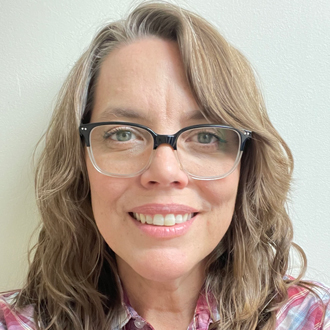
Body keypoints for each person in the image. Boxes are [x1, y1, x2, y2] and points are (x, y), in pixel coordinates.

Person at [1, 1, 329, 330]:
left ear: (247, 166)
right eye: (123, 134)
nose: (165, 171)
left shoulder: (314, 320)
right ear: (79, 163)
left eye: (206, 136)